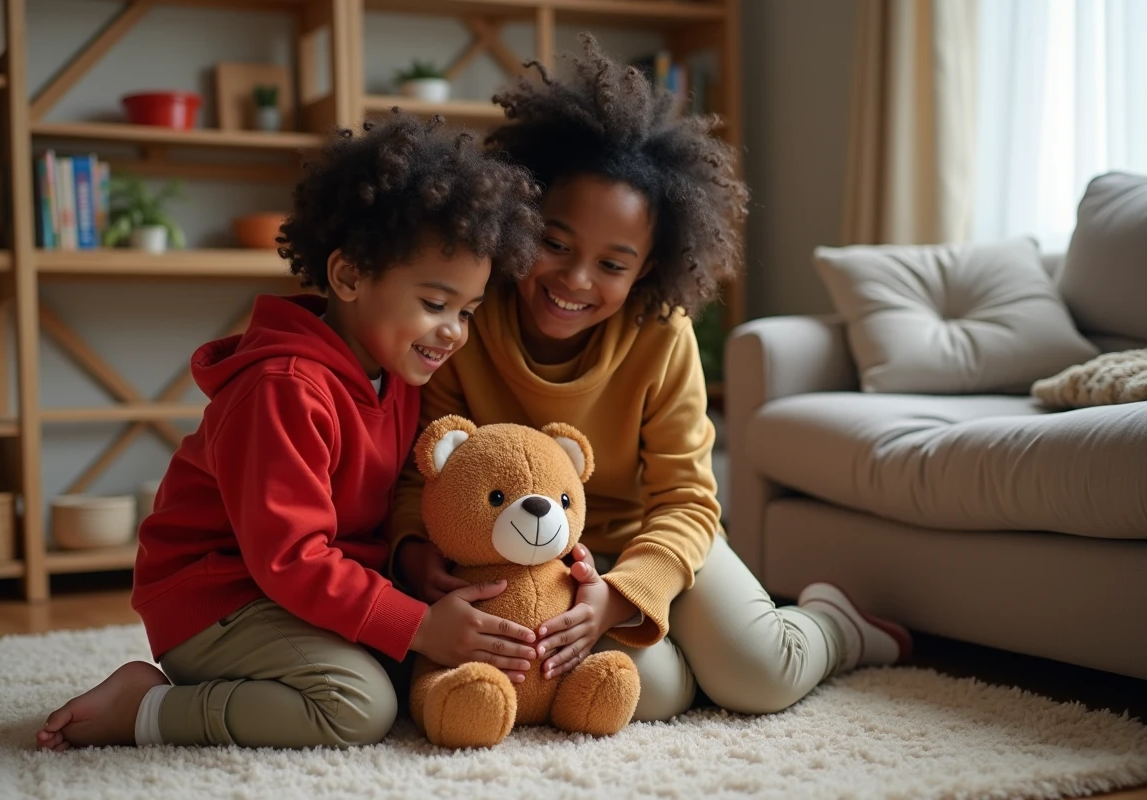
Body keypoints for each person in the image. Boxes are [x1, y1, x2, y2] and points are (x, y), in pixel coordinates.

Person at [390, 36, 913, 723]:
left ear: (649, 269)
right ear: (517, 221)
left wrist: (624, 593)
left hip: (648, 536)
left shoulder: (659, 333)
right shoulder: (466, 325)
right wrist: (412, 552)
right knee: (658, 692)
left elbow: (689, 499)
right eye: (554, 243)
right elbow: (422, 472)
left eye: (613, 264)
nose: (575, 281)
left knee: (758, 677)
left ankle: (833, 627)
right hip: (520, 559)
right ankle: (693, 653)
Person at [35, 110, 545, 752]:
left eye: (467, 311)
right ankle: (146, 709)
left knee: (430, 659)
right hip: (218, 598)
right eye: (435, 304)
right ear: (349, 276)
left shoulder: (392, 375)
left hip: (296, 595)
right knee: (359, 708)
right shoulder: (284, 388)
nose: (454, 331)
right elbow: (290, 558)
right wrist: (416, 625)